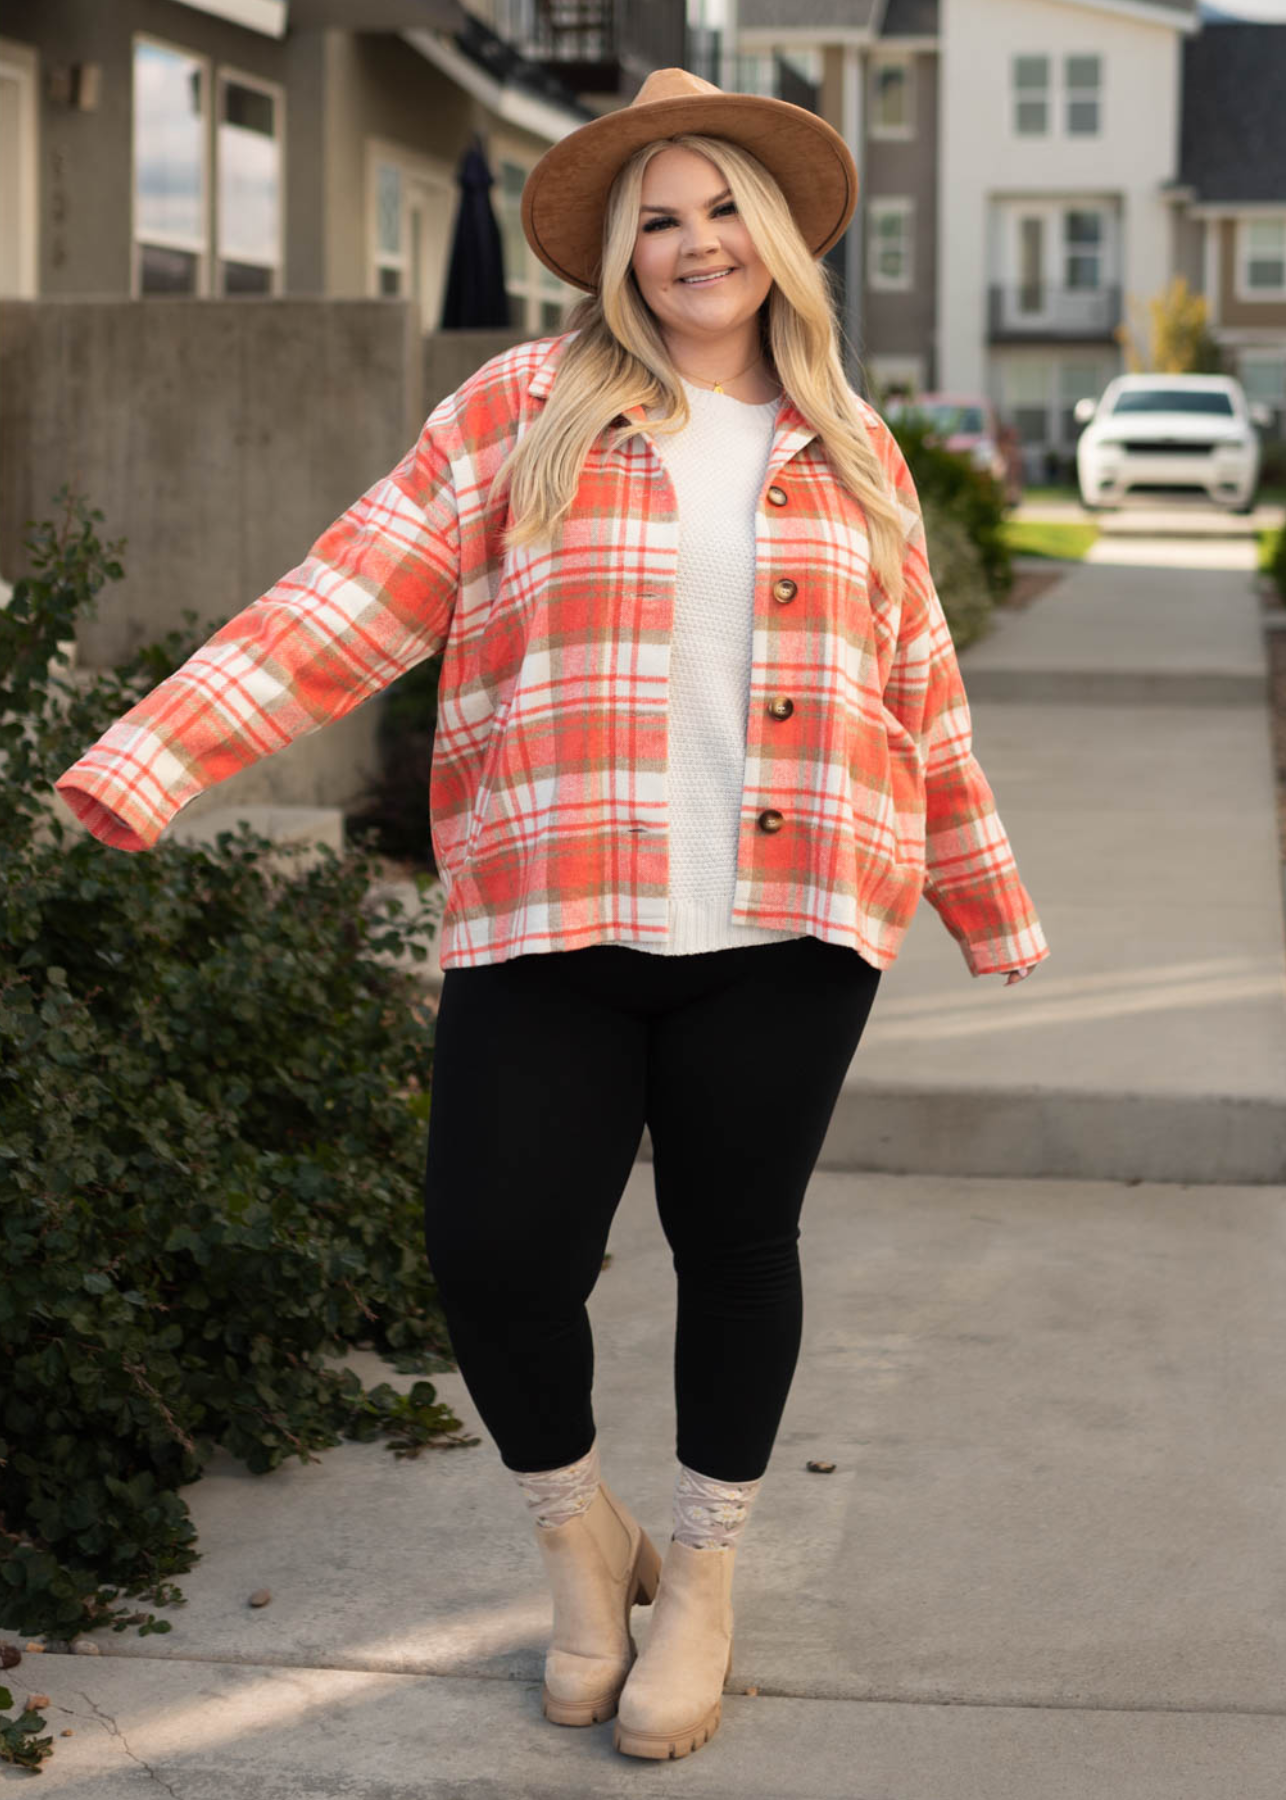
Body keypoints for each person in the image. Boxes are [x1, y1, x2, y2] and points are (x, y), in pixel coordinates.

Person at [53, 67, 1049, 1763]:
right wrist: (150, 759)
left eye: (720, 204)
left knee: (738, 1249)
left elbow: (918, 694)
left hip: (793, 915)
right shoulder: (517, 408)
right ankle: (582, 1543)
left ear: (782, 234)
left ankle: (710, 1578)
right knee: (495, 1253)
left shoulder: (854, 449)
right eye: (654, 218)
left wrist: (982, 899)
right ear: (613, 258)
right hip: (552, 900)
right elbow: (342, 601)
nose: (691, 241)